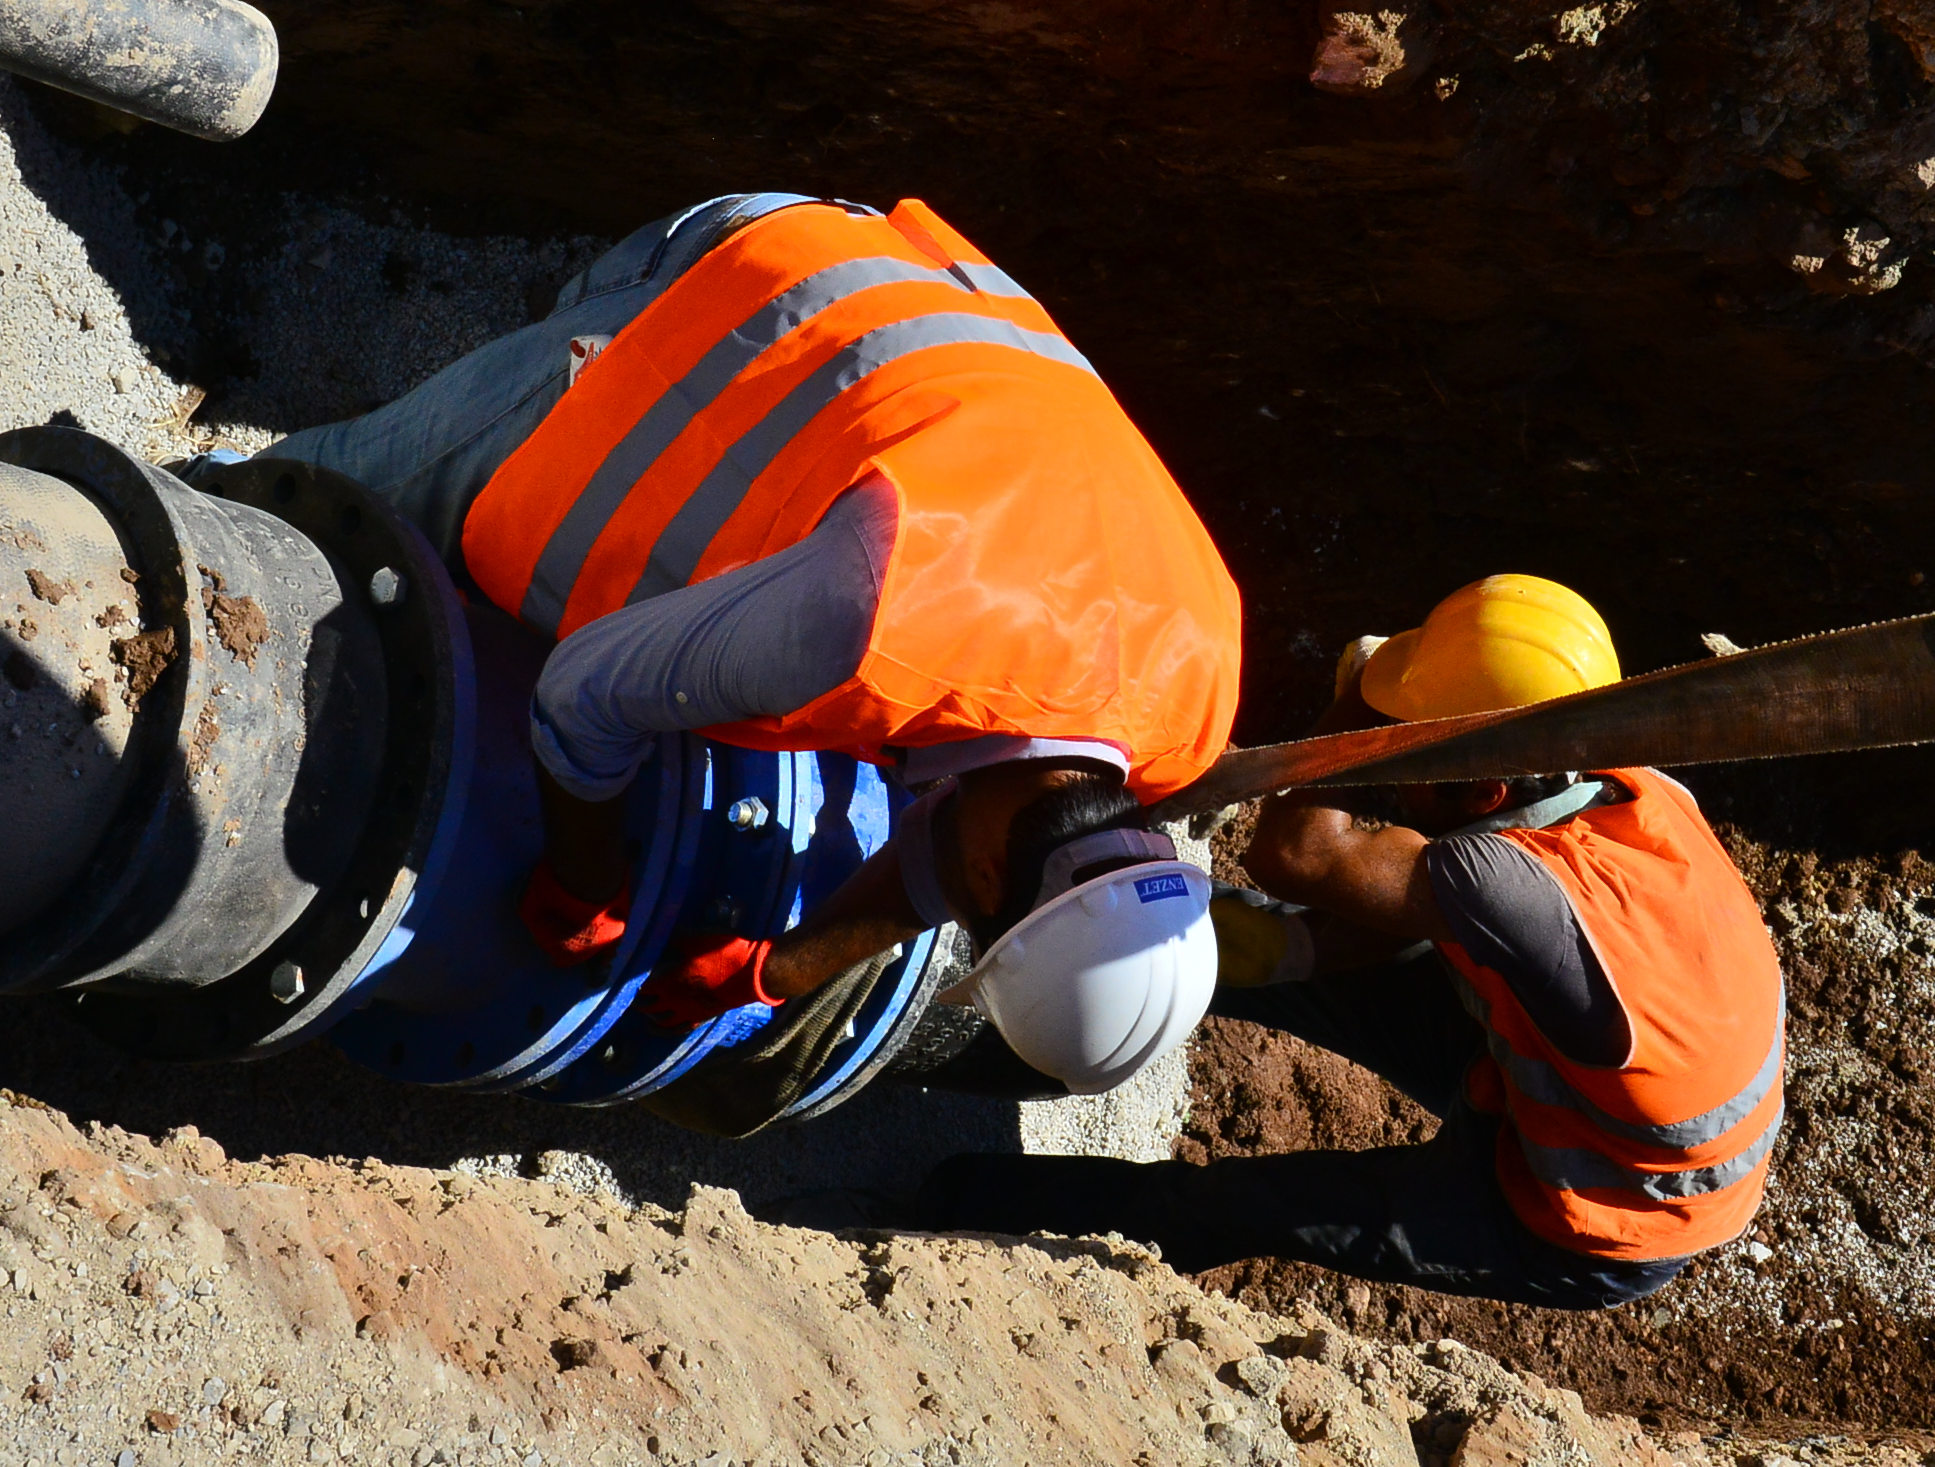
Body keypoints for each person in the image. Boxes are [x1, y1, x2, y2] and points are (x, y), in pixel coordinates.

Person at [258, 191, 1238, 1111]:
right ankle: (191, 501)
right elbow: (581, 698)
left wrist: (780, 969)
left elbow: (994, 835)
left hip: (906, 307)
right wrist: (583, 878)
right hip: (731, 295)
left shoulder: (1197, 692)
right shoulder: (873, 621)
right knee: (316, 507)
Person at [919, 575, 1785, 1309]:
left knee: (1236, 1202)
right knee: (1254, 943)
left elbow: (1297, 853)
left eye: (1412, 751)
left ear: (1485, 789)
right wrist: (1295, 952)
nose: (1396, 772)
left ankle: (935, 1209)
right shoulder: (1637, 786)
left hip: (1598, 1206)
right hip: (1576, 1067)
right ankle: (968, 1032)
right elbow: (1445, 920)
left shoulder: (1505, 885)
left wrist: (1353, 709)